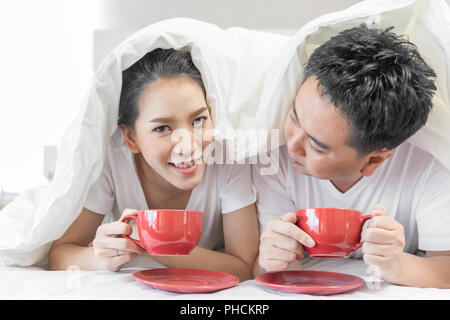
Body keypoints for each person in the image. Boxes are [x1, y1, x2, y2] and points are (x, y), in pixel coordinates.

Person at [252, 24, 450, 288]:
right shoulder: (273, 159)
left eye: (317, 146)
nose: (292, 145)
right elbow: (267, 269)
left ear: (374, 160)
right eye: (294, 117)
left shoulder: (431, 167)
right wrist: (270, 258)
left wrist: (397, 265)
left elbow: (445, 268)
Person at [48, 48, 259, 281]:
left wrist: (152, 242)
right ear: (130, 138)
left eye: (198, 120)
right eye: (162, 128)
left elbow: (244, 267)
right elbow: (60, 255)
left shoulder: (229, 156)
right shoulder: (112, 160)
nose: (187, 146)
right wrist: (100, 257)